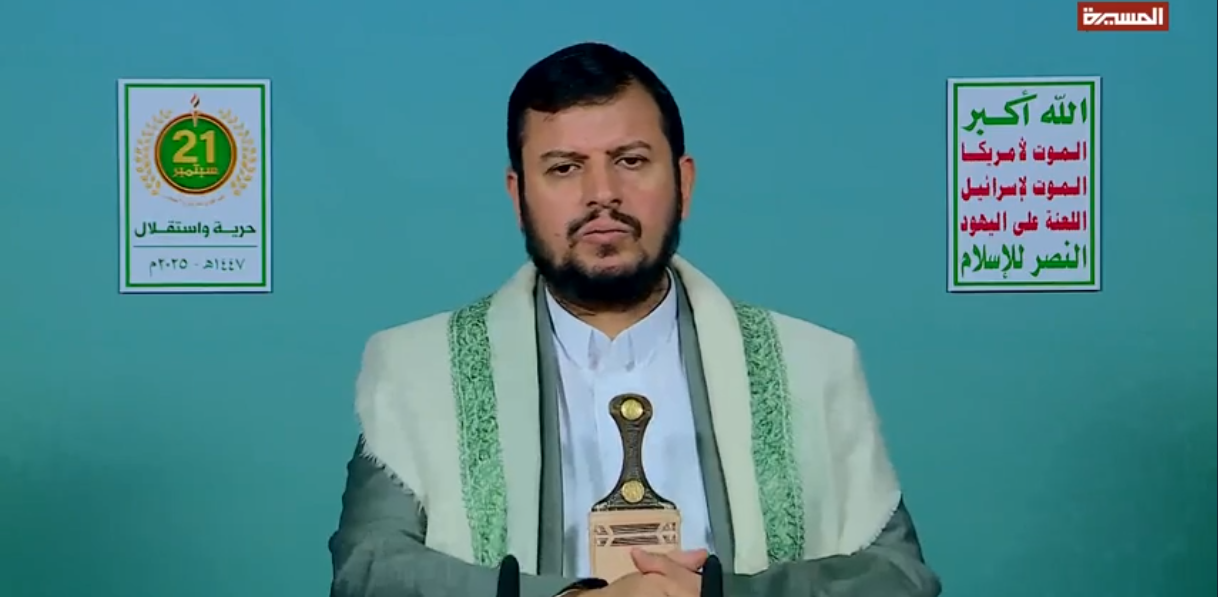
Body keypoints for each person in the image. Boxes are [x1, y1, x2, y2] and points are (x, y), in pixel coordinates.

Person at [328, 41, 941, 597]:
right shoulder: (419, 368)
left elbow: (899, 576)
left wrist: (721, 596)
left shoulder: (811, 364)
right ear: (519, 197)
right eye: (564, 167)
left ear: (683, 182)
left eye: (630, 160)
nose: (602, 193)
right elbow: (368, 568)